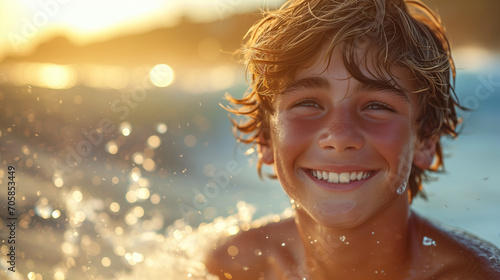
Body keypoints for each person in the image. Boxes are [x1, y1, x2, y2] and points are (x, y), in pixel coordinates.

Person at [205, 0, 500, 279]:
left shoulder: (477, 275)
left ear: (424, 141)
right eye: (308, 103)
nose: (340, 136)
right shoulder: (235, 266)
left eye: (377, 106)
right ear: (265, 138)